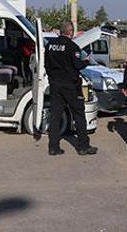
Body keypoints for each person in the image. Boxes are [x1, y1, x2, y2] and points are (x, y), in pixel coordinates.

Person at [44, 21, 97, 156]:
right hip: (71, 86)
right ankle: (83, 146)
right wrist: (86, 60)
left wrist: (53, 79)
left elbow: (46, 65)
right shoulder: (72, 46)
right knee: (79, 115)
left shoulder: (50, 45)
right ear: (70, 32)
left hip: (55, 85)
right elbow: (78, 65)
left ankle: (53, 147)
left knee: (55, 116)